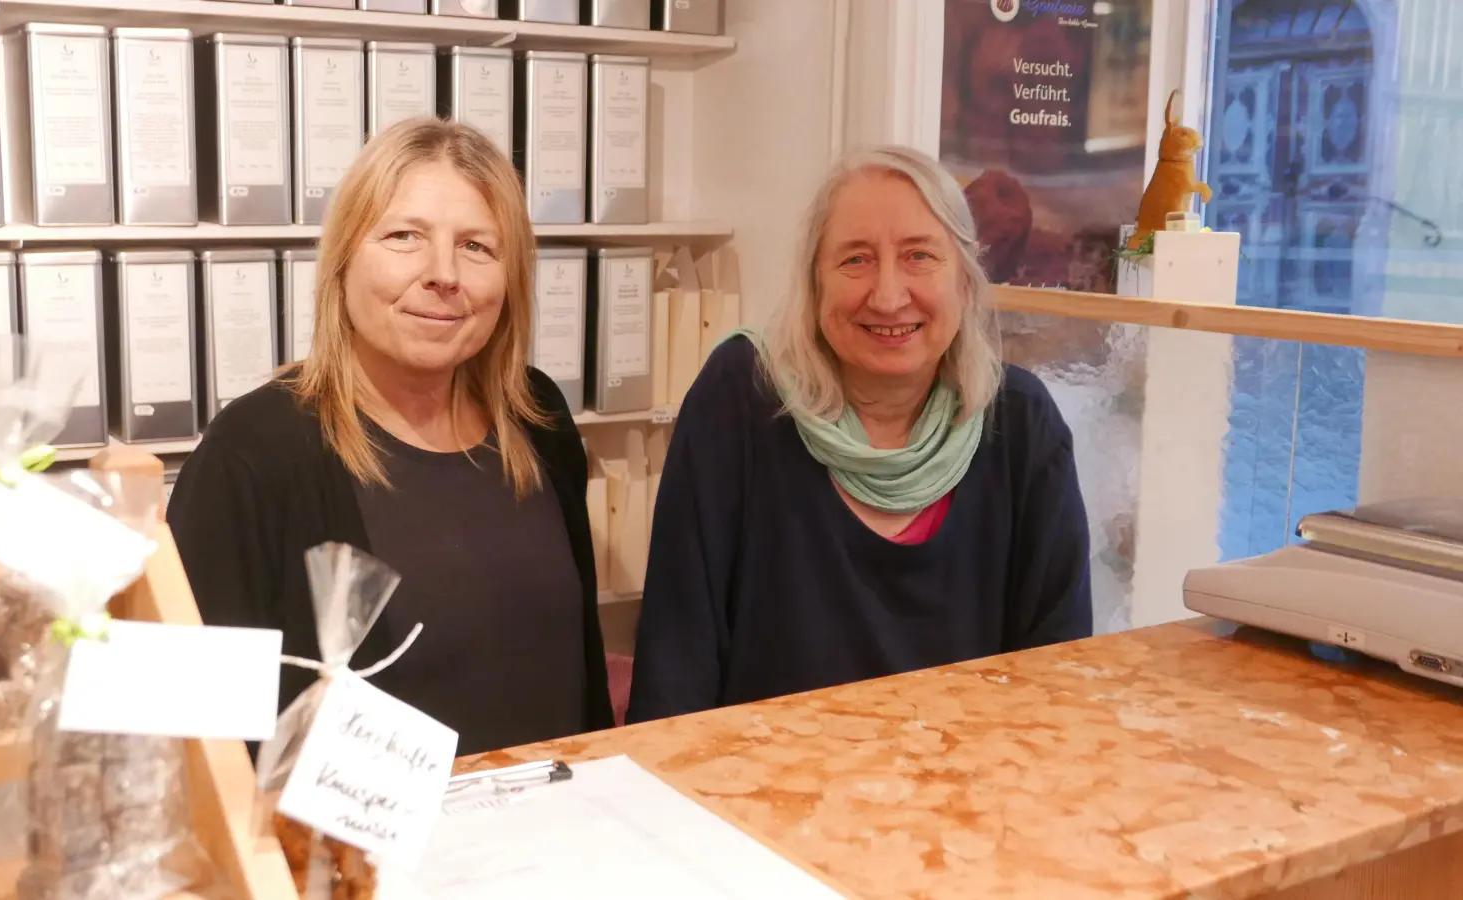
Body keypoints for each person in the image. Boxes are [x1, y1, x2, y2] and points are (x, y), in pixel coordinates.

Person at [168, 118, 612, 755]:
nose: (443, 273)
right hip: (358, 851)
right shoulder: (255, 451)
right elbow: (205, 731)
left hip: (561, 830)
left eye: (477, 247)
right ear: (345, 257)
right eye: (405, 237)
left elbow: (579, 670)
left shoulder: (537, 416)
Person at [627, 146, 1091, 722]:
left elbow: (1057, 675)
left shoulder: (1021, 424)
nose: (889, 296)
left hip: (967, 793)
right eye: (855, 260)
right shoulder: (742, 398)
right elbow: (676, 657)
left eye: (920, 256)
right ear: (814, 282)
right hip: (762, 792)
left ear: (966, 283)